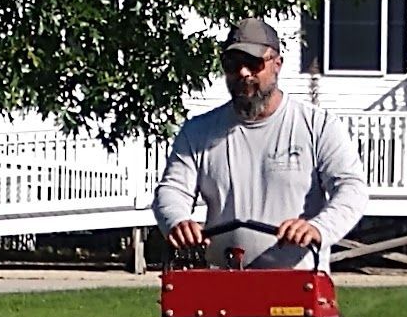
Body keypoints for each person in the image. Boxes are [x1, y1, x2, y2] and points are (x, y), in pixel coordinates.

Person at [152, 17, 368, 269]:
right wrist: (178, 221)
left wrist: (318, 228)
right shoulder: (198, 131)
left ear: (277, 64)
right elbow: (172, 190)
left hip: (298, 286)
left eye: (253, 63)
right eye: (232, 64)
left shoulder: (317, 126)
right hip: (222, 287)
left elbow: (352, 190)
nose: (243, 73)